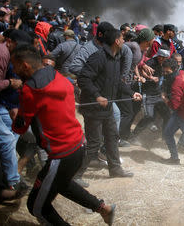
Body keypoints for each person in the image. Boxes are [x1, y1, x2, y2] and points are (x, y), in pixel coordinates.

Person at [10, 44, 116, 225]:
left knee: (36, 206)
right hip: (77, 145)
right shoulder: (58, 76)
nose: (14, 70)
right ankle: (103, 208)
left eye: (15, 66)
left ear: (25, 65)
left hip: (61, 154)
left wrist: (14, 110)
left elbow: (19, 128)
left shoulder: (30, 89)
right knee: (62, 183)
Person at [77, 29, 141, 178]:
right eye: (122, 38)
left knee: (112, 137)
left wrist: (132, 93)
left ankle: (115, 169)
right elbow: (83, 79)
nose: (124, 41)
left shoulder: (115, 59)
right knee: (93, 144)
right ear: (116, 41)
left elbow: (117, 82)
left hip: (107, 109)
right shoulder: (98, 58)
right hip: (94, 109)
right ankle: (75, 175)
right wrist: (97, 96)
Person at [0, 30, 31, 197]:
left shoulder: (7, 53)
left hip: (0, 104)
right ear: (9, 41)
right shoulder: (0, 53)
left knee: (14, 131)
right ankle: (13, 182)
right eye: (18, 46)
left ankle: (10, 175)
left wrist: (12, 107)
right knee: (7, 139)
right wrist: (10, 83)